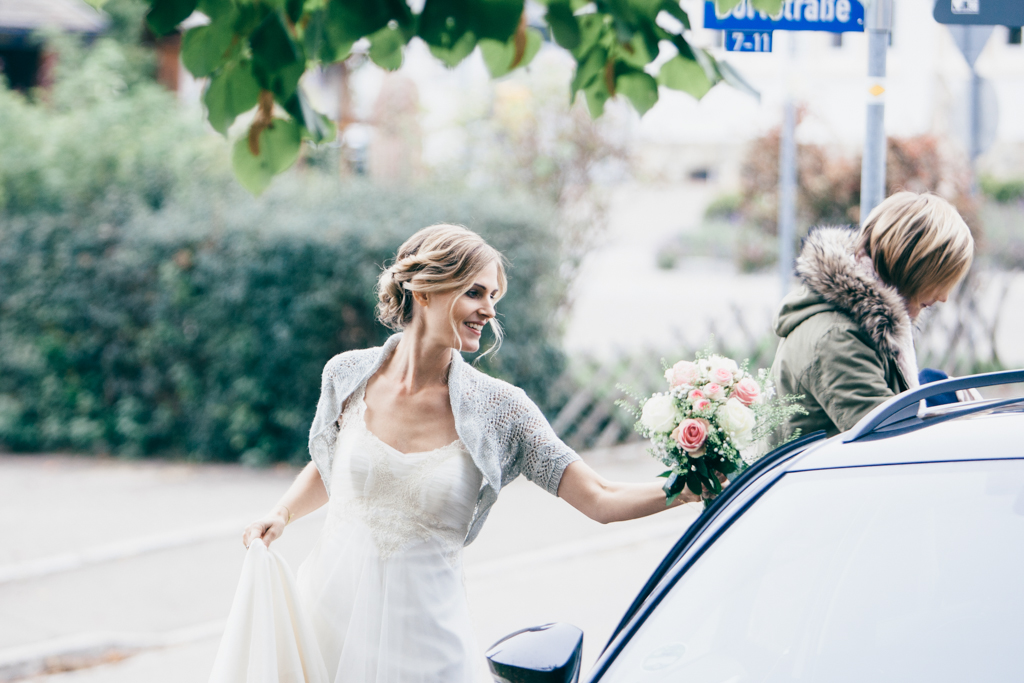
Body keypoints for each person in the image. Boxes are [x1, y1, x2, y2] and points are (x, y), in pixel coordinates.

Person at [219, 224, 699, 682]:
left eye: (493, 297)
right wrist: (281, 513)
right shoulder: (347, 375)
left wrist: (694, 486)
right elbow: (333, 466)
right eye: (475, 292)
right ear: (424, 290)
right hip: (327, 628)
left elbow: (601, 497)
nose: (488, 310)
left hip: (428, 650)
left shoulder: (503, 410)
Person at [771, 191, 974, 440]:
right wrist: (953, 410)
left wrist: (934, 390)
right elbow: (891, 442)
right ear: (914, 267)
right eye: (942, 279)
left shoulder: (861, 325)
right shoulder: (837, 337)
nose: (944, 297)